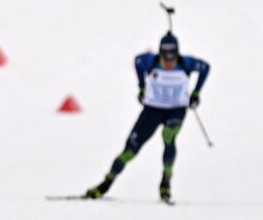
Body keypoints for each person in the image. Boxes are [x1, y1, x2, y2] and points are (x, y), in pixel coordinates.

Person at [85, 31, 210, 203]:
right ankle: (106, 183)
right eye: (165, 58)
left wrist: (196, 93)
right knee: (129, 150)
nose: (168, 62)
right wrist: (142, 86)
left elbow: (205, 68)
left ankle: (165, 181)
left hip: (176, 110)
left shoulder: (185, 63)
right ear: (160, 53)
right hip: (152, 110)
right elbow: (137, 62)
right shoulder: (149, 61)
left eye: (172, 58)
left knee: (168, 136)